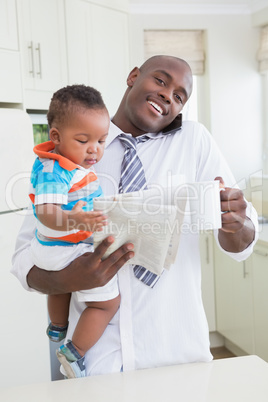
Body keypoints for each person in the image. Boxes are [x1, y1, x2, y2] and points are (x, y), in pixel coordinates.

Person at [12, 55, 258, 377]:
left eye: (179, 96)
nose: (169, 95)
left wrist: (235, 221)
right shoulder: (75, 148)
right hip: (96, 362)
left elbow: (242, 241)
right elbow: (24, 260)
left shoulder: (194, 141)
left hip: (177, 353)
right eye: (160, 80)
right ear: (133, 76)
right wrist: (69, 279)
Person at [28, 84, 121, 378]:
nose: (95, 149)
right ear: (55, 137)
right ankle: (75, 351)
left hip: (52, 249)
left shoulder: (69, 163)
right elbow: (46, 213)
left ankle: (57, 326)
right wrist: (77, 221)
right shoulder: (52, 170)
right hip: (62, 249)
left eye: (102, 141)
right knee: (107, 303)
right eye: (84, 140)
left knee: (61, 287)